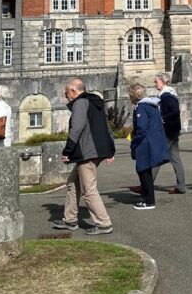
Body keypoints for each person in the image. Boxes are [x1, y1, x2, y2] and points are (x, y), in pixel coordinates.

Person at [52, 78, 116, 234]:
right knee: (72, 182)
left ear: (74, 91)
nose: (66, 97)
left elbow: (76, 129)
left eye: (66, 93)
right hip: (95, 150)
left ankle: (104, 223)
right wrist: (110, 150)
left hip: (87, 152)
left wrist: (67, 151)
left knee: (89, 190)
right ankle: (70, 220)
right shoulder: (95, 102)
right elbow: (106, 127)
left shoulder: (80, 103)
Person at [128, 82, 170, 209]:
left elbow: (141, 129)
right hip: (151, 142)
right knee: (145, 171)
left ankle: (149, 200)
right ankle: (147, 197)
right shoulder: (151, 105)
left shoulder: (141, 107)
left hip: (145, 144)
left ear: (134, 95)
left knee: (143, 170)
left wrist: (134, 143)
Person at [151, 72, 186, 194]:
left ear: (162, 81)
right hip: (173, 130)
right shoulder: (170, 94)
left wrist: (162, 119)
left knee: (158, 156)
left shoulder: (166, 96)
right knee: (175, 158)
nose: (155, 83)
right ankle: (181, 186)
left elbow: (175, 111)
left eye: (156, 81)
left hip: (168, 131)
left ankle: (147, 185)